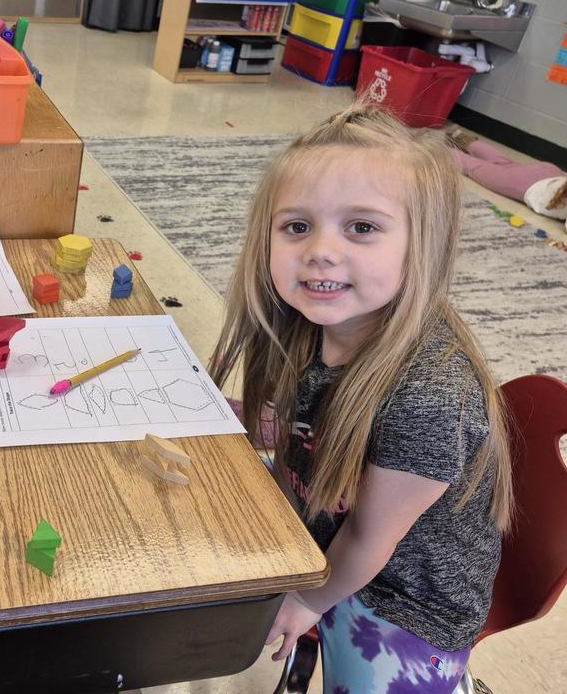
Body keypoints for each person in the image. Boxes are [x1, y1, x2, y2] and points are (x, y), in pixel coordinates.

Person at [208, 104, 514, 692]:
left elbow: (372, 539)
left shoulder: (428, 396)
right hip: (322, 544)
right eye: (297, 226)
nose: (320, 250)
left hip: (406, 602)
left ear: (420, 245)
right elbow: (301, 424)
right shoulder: (307, 323)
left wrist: (305, 599)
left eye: (362, 227)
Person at [448, 128, 567, 232]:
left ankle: (460, 137)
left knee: (504, 163)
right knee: (476, 168)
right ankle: (436, 151)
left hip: (552, 173)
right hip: (527, 183)